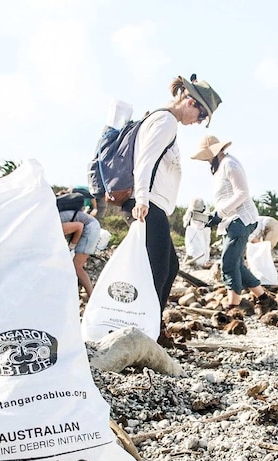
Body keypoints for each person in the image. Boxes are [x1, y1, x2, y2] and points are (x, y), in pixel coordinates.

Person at [109, 74, 221, 315]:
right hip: (147, 204)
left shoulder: (160, 118)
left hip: (150, 204)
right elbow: (145, 162)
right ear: (190, 102)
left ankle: (152, 327)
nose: (199, 122)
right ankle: (148, 329)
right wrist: (141, 199)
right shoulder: (166, 121)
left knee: (169, 268)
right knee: (157, 271)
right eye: (202, 116)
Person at [191, 135, 277, 315]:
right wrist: (215, 216)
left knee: (228, 264)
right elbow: (226, 197)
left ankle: (233, 307)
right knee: (237, 264)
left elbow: (242, 193)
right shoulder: (222, 166)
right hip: (233, 220)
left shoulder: (229, 164)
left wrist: (219, 214)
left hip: (241, 219)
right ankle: (264, 299)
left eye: (207, 156)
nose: (206, 160)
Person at [58, 209, 100, 300]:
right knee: (75, 265)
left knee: (77, 266)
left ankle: (92, 297)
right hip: (87, 226)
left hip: (90, 228)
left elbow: (79, 226)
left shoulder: (54, 226)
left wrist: (72, 246)